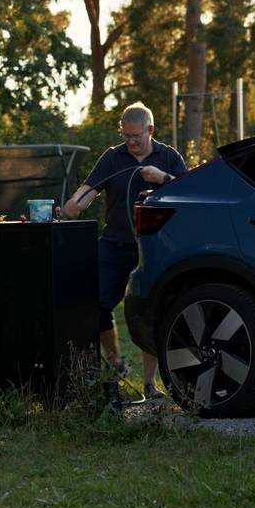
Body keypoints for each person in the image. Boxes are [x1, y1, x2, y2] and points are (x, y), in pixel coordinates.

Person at [62, 102, 187, 400]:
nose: (130, 142)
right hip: (115, 245)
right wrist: (75, 203)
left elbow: (190, 192)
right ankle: (117, 364)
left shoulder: (168, 156)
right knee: (96, 304)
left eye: (135, 136)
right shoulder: (112, 157)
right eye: (125, 135)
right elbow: (90, 188)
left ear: (150, 130)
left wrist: (163, 180)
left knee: (150, 309)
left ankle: (149, 383)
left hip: (156, 247)